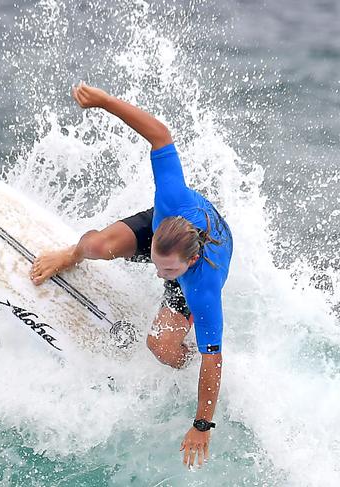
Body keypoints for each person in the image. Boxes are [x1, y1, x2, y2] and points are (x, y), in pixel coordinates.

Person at [29, 82, 233, 468]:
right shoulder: (171, 199)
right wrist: (104, 102)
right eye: (154, 265)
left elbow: (215, 358)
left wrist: (202, 424)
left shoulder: (201, 288)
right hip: (172, 229)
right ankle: (69, 255)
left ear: (186, 266)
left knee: (161, 348)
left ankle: (185, 362)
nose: (159, 276)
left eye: (167, 272)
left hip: (191, 256)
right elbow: (160, 135)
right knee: (97, 247)